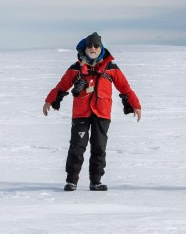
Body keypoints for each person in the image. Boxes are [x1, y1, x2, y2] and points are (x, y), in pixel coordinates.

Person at [42, 32, 141, 191]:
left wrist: (135, 105)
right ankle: (72, 180)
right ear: (85, 48)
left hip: (102, 113)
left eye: (96, 46)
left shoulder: (111, 68)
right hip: (81, 113)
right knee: (77, 147)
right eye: (90, 46)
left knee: (99, 148)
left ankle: (96, 181)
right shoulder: (76, 68)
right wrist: (49, 100)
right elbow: (61, 86)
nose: (93, 48)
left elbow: (125, 88)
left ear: (101, 48)